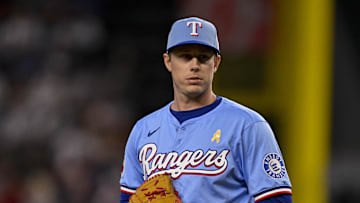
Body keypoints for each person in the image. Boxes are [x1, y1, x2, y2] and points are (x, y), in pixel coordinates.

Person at [119, 16, 292, 203]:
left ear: (216, 63)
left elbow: (276, 199)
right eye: (185, 56)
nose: (194, 65)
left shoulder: (248, 126)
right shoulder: (143, 130)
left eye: (203, 57)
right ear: (168, 61)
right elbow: (127, 198)